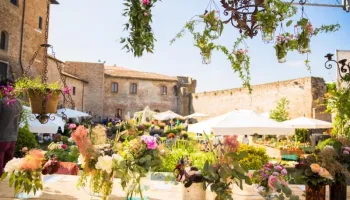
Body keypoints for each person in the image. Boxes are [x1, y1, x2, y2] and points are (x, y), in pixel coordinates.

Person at [0, 79, 23, 176]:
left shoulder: (2, 102)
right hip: (13, 137)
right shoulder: (19, 103)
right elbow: (20, 119)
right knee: (9, 166)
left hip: (1, 137)